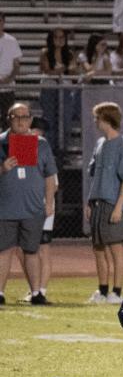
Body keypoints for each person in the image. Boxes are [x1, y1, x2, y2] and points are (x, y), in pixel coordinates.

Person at [0, 101, 56, 305]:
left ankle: (36, 293)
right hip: (5, 208)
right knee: (4, 251)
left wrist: (49, 203)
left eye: (25, 117)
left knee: (32, 251)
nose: (21, 121)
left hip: (33, 208)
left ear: (31, 120)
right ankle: (0, 293)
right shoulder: (0, 142)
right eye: (16, 117)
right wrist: (3, 168)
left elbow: (50, 176)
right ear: (9, 119)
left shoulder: (41, 144)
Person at [83, 102, 123, 304]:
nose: (95, 121)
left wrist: (119, 207)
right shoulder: (100, 144)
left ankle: (117, 292)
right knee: (98, 249)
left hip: (113, 204)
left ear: (106, 119)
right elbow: (94, 175)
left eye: (97, 117)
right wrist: (90, 201)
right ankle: (102, 291)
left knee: (115, 250)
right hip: (97, 203)